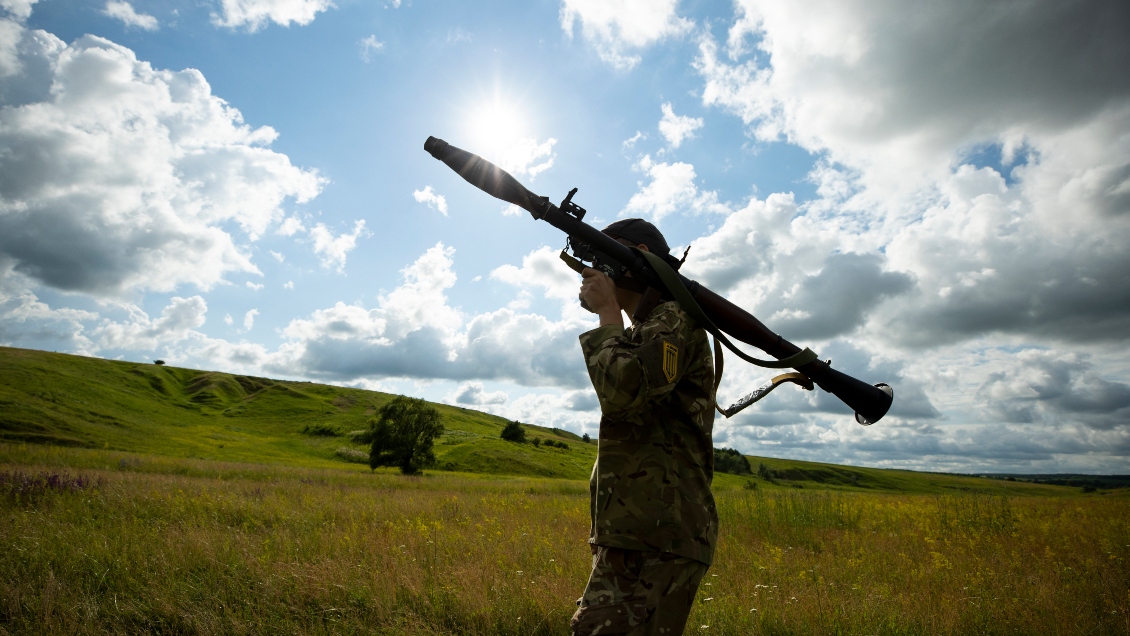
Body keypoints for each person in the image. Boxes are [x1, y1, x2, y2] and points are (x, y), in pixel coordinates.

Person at [570, 218, 718, 636]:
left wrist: (607, 313)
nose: (593, 266)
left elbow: (621, 392)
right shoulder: (651, 327)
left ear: (641, 259)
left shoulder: (674, 320)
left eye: (608, 253)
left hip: (656, 538)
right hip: (639, 535)